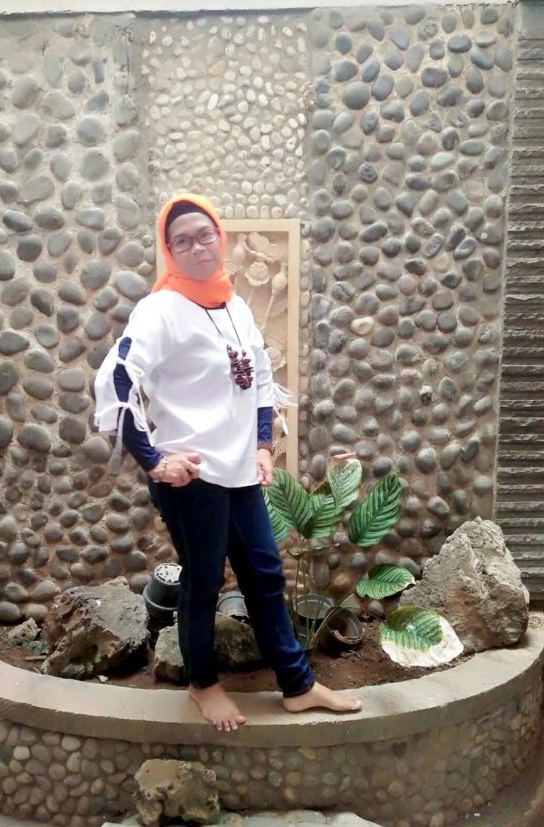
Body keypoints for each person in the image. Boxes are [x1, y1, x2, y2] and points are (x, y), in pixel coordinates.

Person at [94, 193, 362, 731]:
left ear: (220, 238)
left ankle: (297, 685)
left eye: (204, 234)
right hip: (192, 478)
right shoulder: (160, 310)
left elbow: (259, 378)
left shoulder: (234, 306)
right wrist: (154, 460)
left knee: (264, 575)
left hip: (239, 472)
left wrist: (262, 445)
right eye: (182, 240)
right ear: (170, 250)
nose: (197, 246)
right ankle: (203, 685)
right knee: (203, 582)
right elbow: (117, 378)